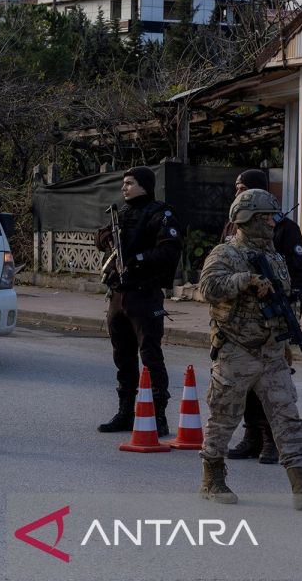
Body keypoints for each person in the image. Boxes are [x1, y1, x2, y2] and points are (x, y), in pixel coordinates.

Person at [198, 189, 302, 510]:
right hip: (236, 349)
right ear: (246, 219)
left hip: (270, 351)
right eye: (265, 217)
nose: (272, 222)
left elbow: (284, 300)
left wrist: (286, 334)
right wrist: (245, 280)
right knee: (224, 417)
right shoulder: (226, 254)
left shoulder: (276, 257)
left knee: (287, 415)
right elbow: (207, 287)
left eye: (273, 216)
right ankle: (213, 478)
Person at [220, 169, 302, 465]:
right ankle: (251, 437)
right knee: (243, 383)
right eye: (236, 188)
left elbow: (299, 278)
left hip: (272, 322)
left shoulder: (284, 228)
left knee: (273, 386)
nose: (237, 194)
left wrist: (288, 315)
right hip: (239, 323)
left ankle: (271, 440)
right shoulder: (234, 226)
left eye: (243, 188)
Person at [94, 166, 182, 437]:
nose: (124, 188)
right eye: (123, 183)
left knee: (150, 355)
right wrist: (106, 237)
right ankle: (125, 412)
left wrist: (139, 260)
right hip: (119, 295)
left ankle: (158, 415)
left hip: (145, 294)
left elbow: (169, 250)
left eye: (129, 183)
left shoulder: (160, 214)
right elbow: (100, 238)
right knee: (123, 356)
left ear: (144, 185)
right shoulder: (121, 214)